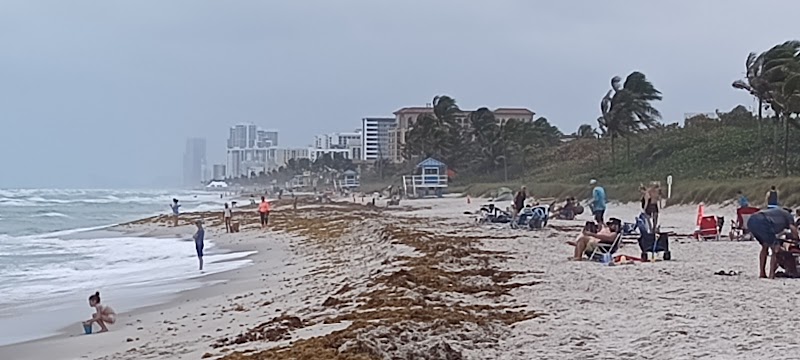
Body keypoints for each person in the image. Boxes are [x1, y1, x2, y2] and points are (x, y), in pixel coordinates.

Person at [747, 207, 798, 279]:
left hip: (751, 221)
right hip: (763, 222)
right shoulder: (788, 216)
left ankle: (762, 273)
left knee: (765, 246)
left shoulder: (776, 213)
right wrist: (797, 240)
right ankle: (771, 274)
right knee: (775, 249)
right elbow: (793, 228)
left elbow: (774, 233)